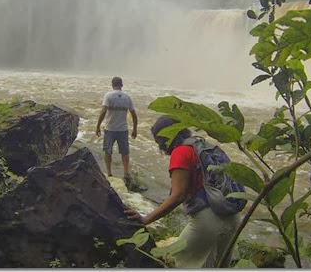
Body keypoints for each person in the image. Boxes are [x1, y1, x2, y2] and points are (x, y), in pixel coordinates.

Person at [124, 116, 239, 268]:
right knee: (218, 265)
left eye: (159, 141)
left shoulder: (181, 153)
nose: (160, 146)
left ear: (167, 137)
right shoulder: (203, 145)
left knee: (183, 259)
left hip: (208, 220)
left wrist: (146, 219)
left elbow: (178, 196)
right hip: (232, 216)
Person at [95, 76, 146, 192]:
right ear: (121, 85)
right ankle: (126, 173)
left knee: (108, 151)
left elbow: (103, 111)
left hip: (110, 128)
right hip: (123, 129)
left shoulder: (108, 96)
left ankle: (109, 173)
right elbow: (134, 114)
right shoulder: (127, 97)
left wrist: (98, 125)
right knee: (125, 152)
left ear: (112, 85)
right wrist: (135, 129)